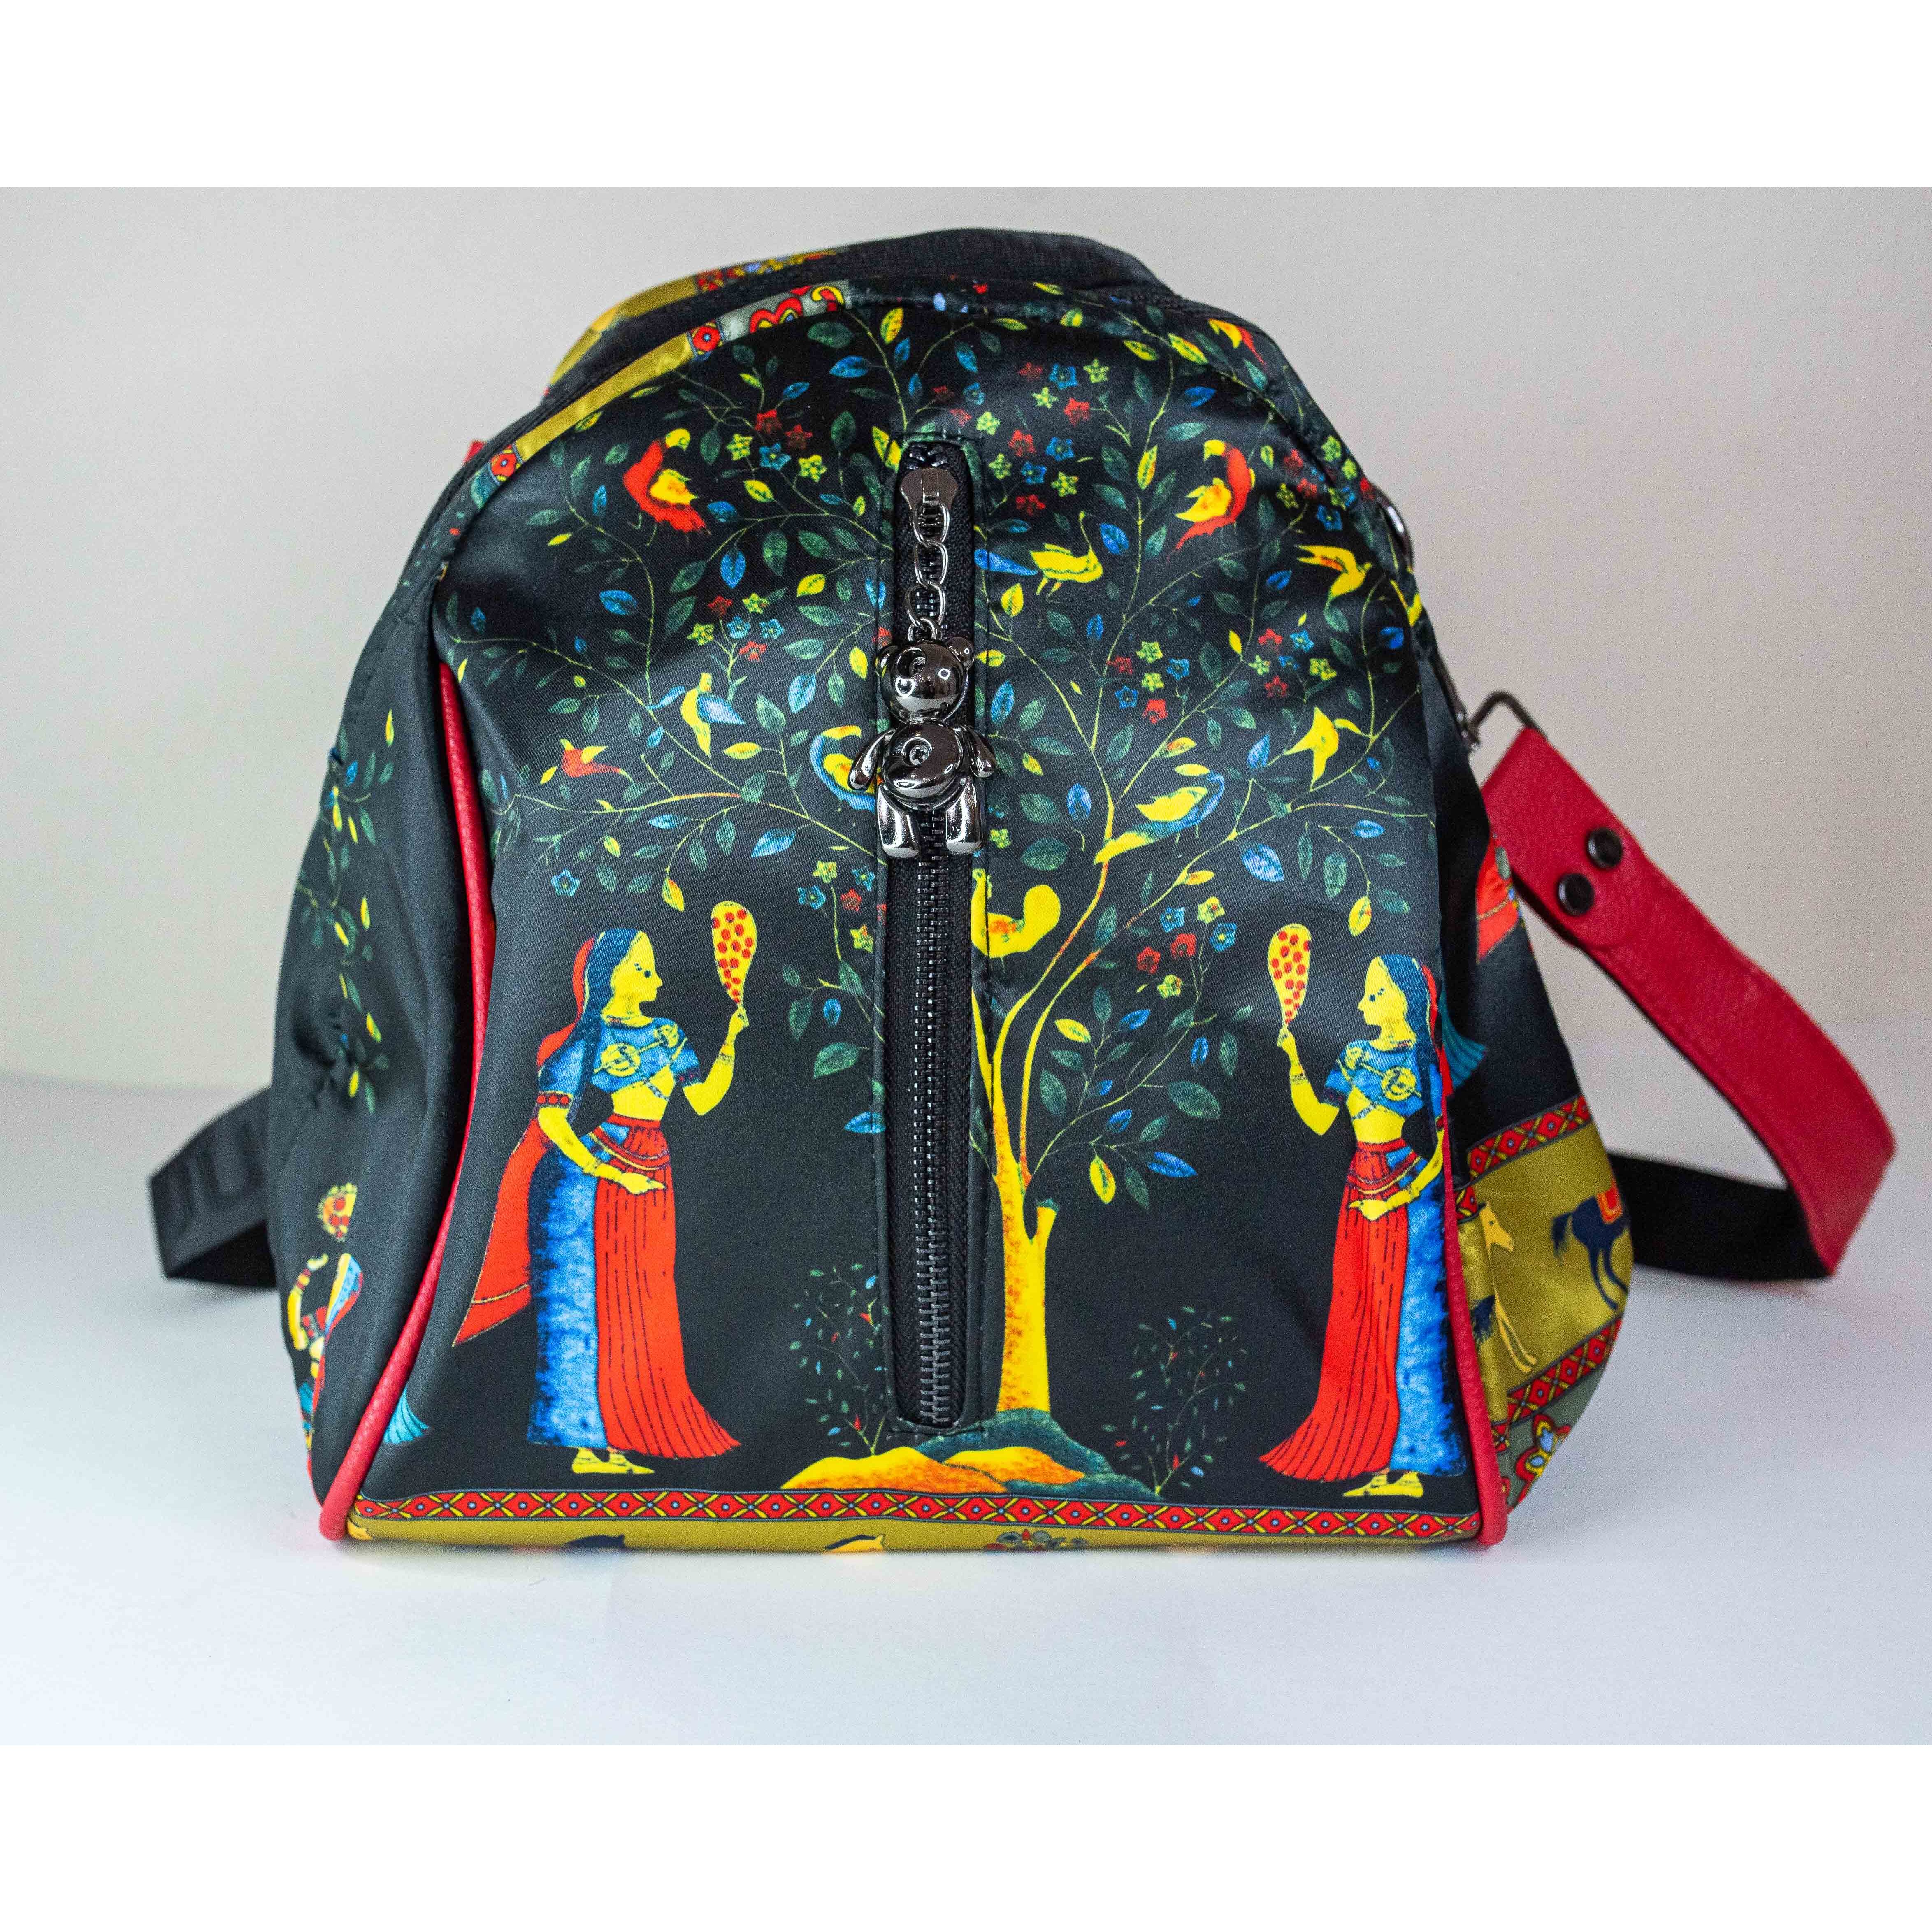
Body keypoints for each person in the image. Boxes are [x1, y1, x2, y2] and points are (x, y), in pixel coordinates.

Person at [454, 928, 746, 1473]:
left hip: (651, 1166)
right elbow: (553, 1120)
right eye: (643, 968)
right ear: (610, 976)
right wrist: (610, 1172)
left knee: (642, 1305)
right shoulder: (587, 1039)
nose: (657, 978)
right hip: (586, 1184)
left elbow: (703, 1100)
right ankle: (586, 1447)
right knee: (584, 1305)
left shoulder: (667, 1033)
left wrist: (730, 1041)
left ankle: (623, 1436)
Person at [1259, 954, 1465, 1498]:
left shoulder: (1424, 1058)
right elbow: (1320, 1119)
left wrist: (1397, 1196)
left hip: (1408, 1196)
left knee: (1412, 1326)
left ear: (1406, 997)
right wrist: (1293, 1062)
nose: (1362, 1002)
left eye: (1375, 993)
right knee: (1362, 1318)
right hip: (1360, 1187)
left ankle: (1416, 1467)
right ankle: (1375, 1456)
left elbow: (1444, 1147)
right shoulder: (1353, 1054)